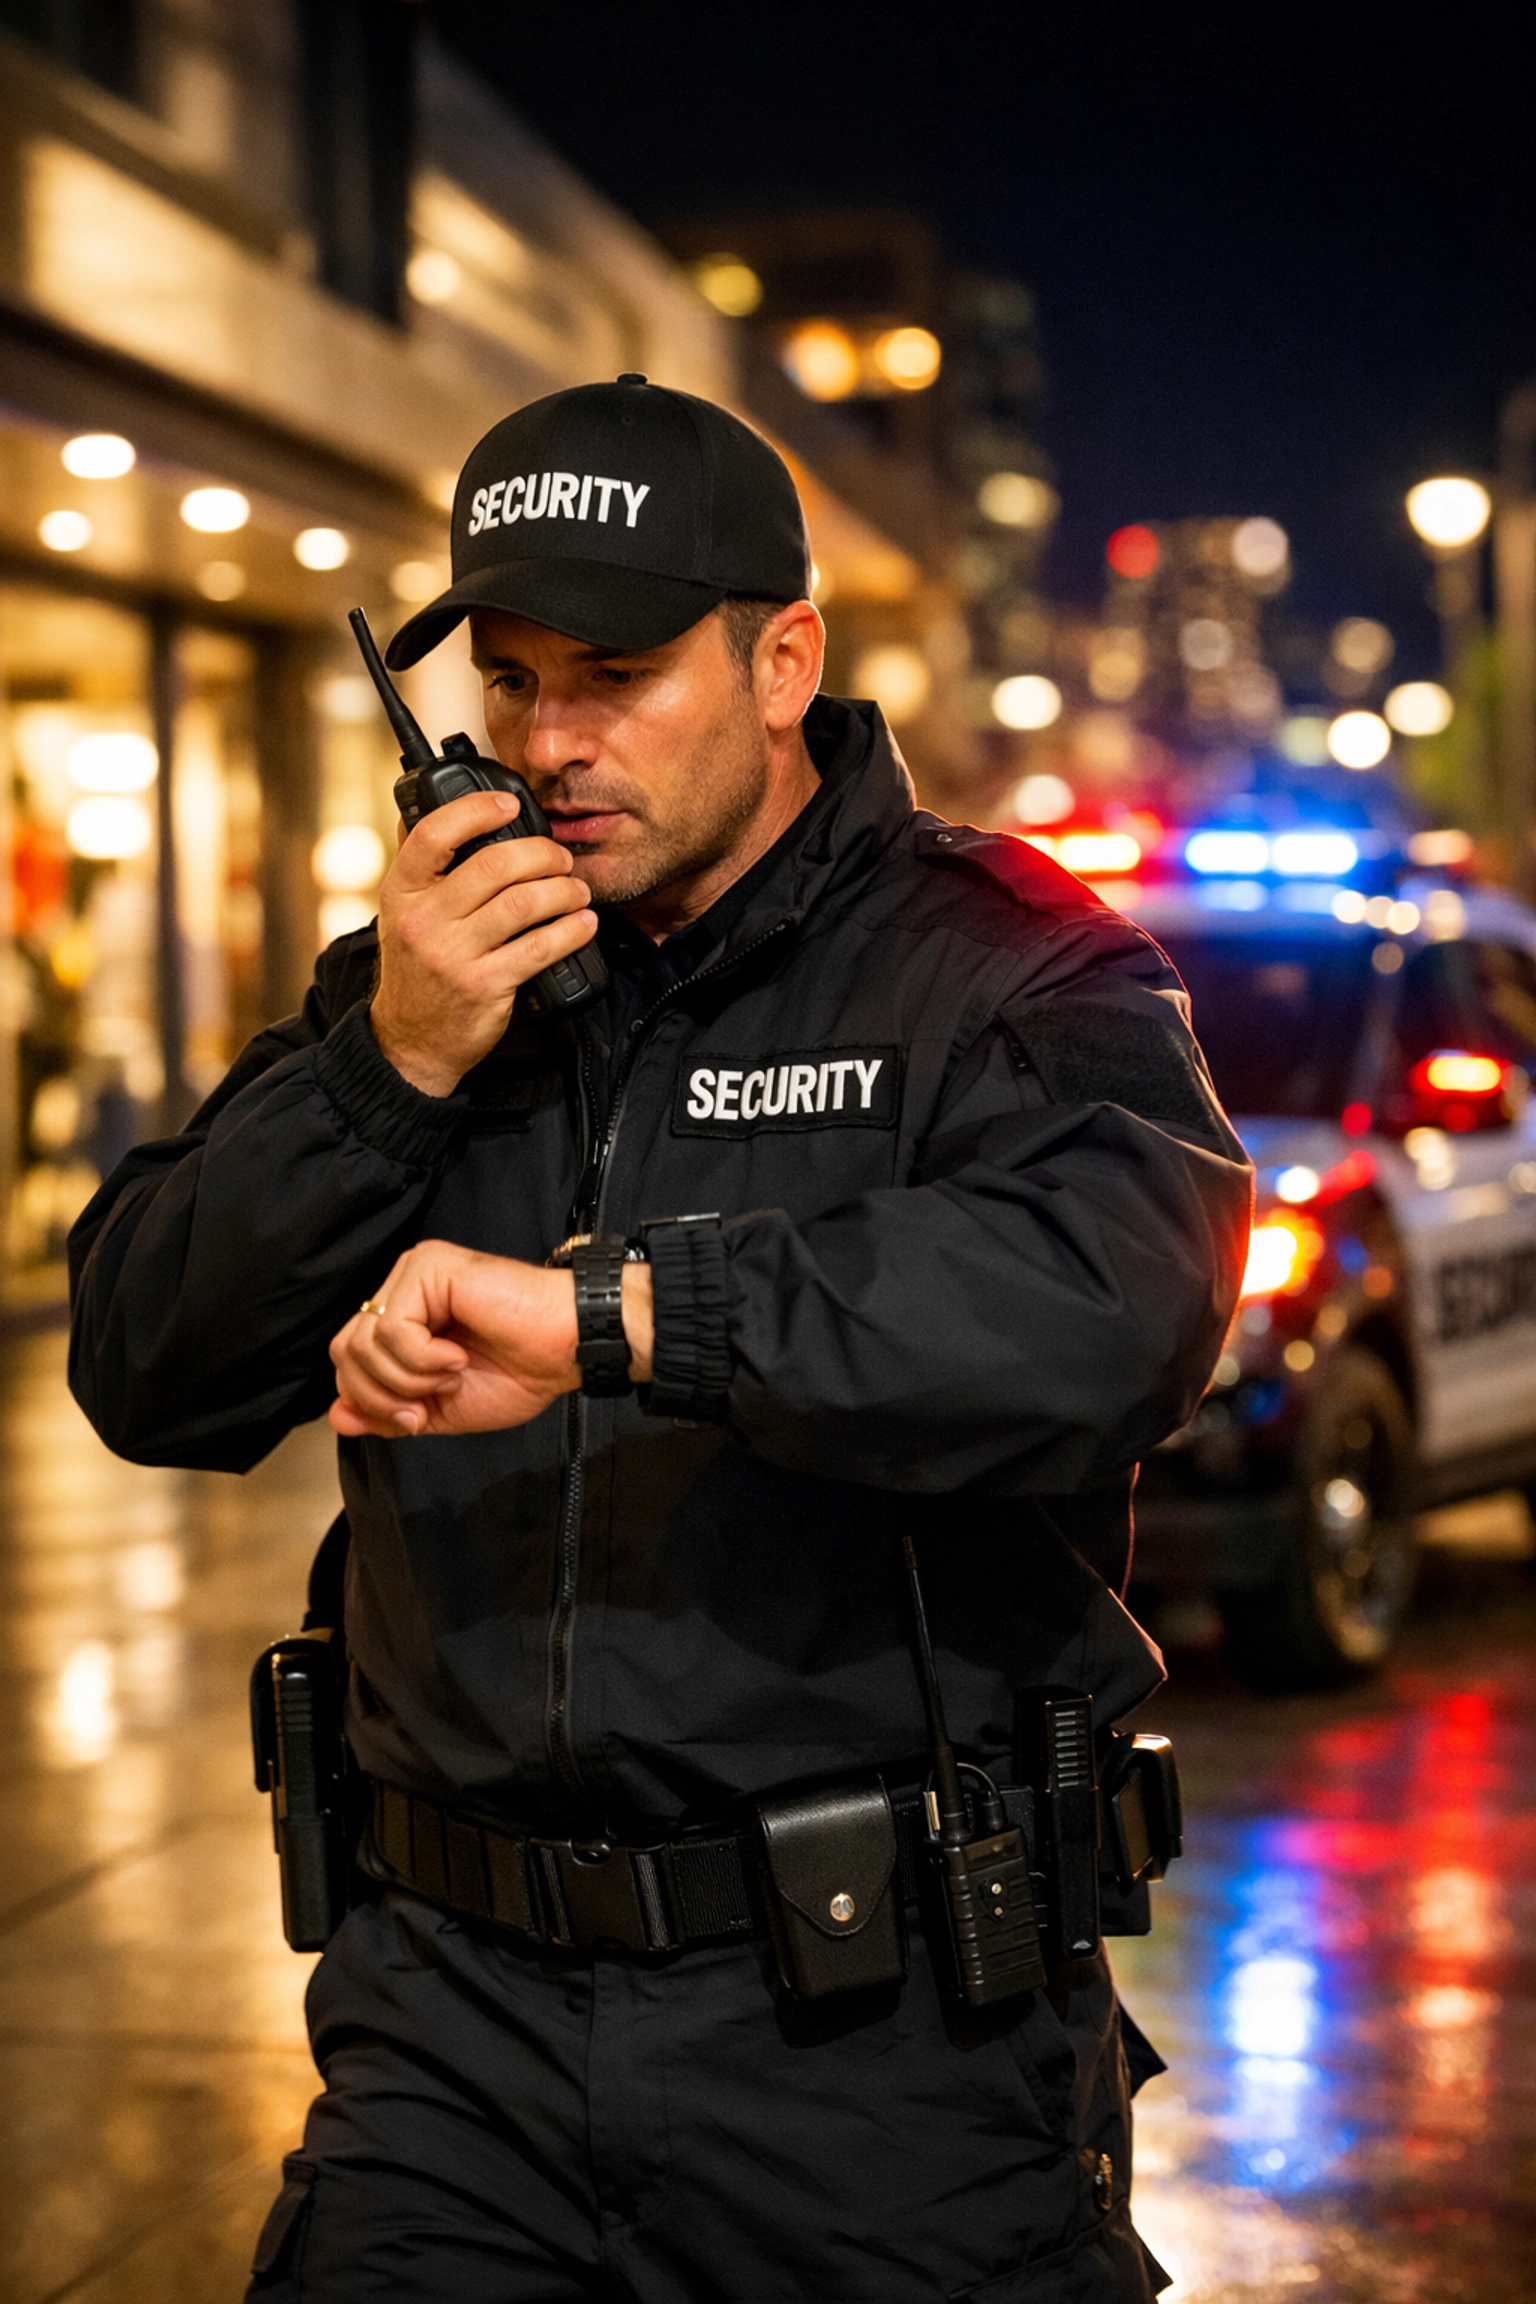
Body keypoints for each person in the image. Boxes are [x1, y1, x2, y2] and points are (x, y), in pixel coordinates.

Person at [69, 376, 1249, 2303]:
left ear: (783, 659)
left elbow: (1117, 1308)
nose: (551, 743)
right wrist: (390, 1070)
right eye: (511, 684)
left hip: (880, 2052)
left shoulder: (1004, 962)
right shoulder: (431, 983)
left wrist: (625, 1320)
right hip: (448, 2044)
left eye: (613, 672)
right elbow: (144, 1363)